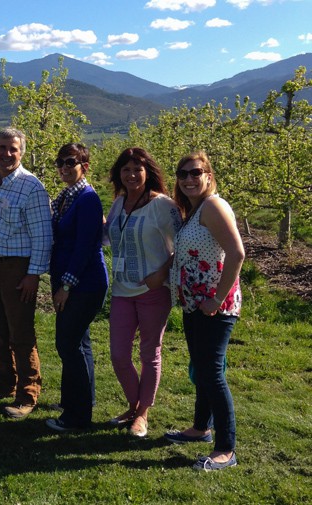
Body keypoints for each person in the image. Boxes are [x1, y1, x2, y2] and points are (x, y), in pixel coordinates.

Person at [164, 151, 244, 471]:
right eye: (182, 173)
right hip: (195, 305)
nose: (188, 179)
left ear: (208, 176)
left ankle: (226, 448)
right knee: (201, 368)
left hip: (215, 308)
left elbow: (237, 253)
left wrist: (216, 298)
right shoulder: (194, 211)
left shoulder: (213, 206)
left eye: (195, 172)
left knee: (211, 373)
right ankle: (200, 428)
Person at [0, 127, 53, 419]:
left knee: (20, 332)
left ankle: (28, 393)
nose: (7, 154)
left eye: (13, 149)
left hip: (17, 267)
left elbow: (43, 236)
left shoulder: (32, 187)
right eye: (2, 147)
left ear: (22, 152)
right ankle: (5, 382)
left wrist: (33, 275)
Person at [104, 147, 182, 437]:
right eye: (126, 169)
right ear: (119, 174)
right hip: (123, 290)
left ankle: (142, 414)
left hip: (153, 291)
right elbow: (109, 236)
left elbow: (183, 242)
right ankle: (134, 404)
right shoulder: (119, 203)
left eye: (137, 169)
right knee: (119, 354)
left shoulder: (162, 205)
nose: (132, 174)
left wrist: (162, 272)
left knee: (150, 353)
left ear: (148, 172)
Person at [45, 143, 108, 432]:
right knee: (79, 342)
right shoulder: (66, 197)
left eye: (71, 162)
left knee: (67, 343)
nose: (64, 167)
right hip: (70, 280)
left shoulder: (87, 199)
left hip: (84, 283)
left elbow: (84, 248)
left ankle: (78, 416)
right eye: (60, 162)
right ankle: (80, 401)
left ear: (85, 164)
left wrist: (66, 287)